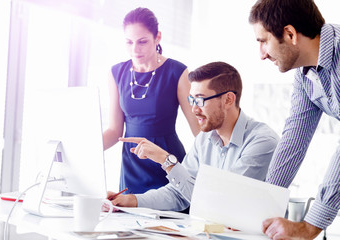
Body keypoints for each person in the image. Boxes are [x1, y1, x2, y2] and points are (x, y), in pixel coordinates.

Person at [107, 61, 279, 212]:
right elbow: (179, 194)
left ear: (228, 100)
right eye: (192, 100)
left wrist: (167, 161)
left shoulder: (262, 141)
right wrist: (129, 200)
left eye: (201, 100)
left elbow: (224, 203)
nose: (194, 110)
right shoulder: (204, 139)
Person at [249, 0, 340, 239]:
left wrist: (309, 227)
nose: (262, 55)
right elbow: (294, 141)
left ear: (290, 34)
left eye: (263, 41)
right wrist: (260, 212)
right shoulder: (305, 74)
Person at [102, 7, 200, 194]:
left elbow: (198, 129)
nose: (135, 50)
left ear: (158, 37)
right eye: (129, 42)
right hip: (132, 164)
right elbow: (115, 131)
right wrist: (84, 150)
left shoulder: (177, 72)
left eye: (142, 42)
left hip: (166, 162)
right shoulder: (116, 73)